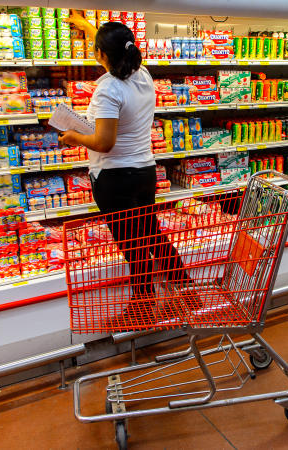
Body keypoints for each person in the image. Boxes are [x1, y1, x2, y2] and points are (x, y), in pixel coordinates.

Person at [58, 18, 191, 324]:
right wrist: (87, 26)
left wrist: (74, 137)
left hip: (116, 178)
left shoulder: (108, 88)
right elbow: (116, 45)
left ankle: (142, 307)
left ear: (101, 54)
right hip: (144, 172)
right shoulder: (142, 74)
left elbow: (104, 142)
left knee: (134, 246)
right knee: (151, 234)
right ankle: (186, 291)